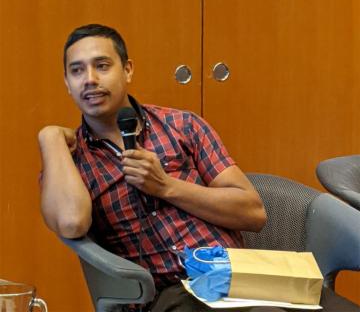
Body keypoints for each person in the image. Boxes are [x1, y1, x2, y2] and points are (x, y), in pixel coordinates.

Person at [38, 24, 266, 311]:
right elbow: (71, 223)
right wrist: (49, 139)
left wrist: (166, 186)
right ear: (67, 83)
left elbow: (253, 213)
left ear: (128, 70)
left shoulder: (182, 126)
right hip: (167, 295)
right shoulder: (69, 162)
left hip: (238, 278)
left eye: (102, 66)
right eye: (77, 71)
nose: (90, 79)